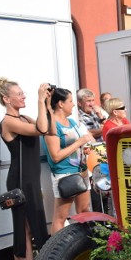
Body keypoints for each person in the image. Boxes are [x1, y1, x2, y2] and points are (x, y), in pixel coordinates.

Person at [0, 78, 53, 260]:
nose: (23, 96)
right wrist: (39, 100)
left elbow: (47, 128)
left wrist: (46, 105)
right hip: (20, 181)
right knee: (24, 229)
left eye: (24, 93)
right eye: (19, 94)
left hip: (30, 179)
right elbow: (40, 129)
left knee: (28, 227)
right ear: (6, 98)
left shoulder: (25, 117)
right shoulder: (8, 122)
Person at [43, 88, 95, 235]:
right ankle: (55, 254)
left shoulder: (71, 121)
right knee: (61, 217)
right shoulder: (52, 125)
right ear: (60, 103)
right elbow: (56, 156)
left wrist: (85, 149)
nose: (73, 105)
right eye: (71, 101)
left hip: (82, 171)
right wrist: (79, 142)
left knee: (84, 211)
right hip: (65, 174)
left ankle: (85, 247)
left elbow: (80, 143)